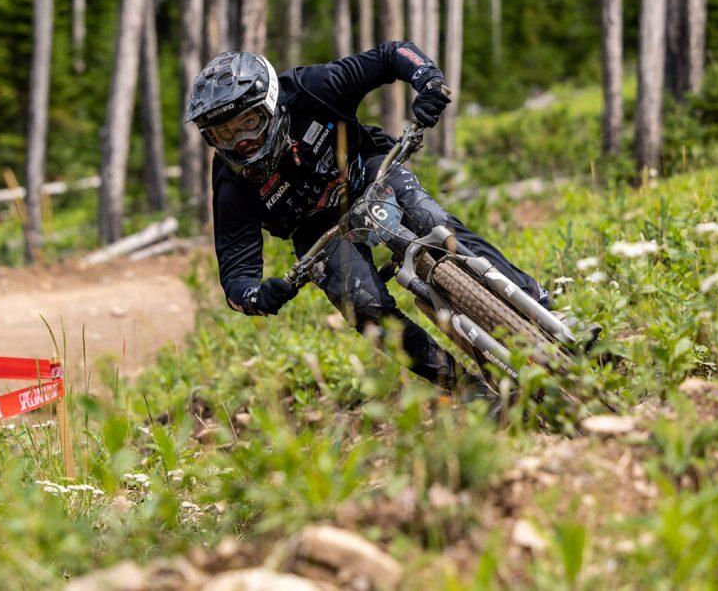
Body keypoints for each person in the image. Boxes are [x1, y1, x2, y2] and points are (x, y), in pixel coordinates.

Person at [184, 44, 554, 402]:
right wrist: (256, 296)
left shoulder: (312, 88)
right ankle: (468, 390)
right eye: (224, 134)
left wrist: (428, 81)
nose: (241, 141)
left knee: (434, 221)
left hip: (368, 168)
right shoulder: (232, 183)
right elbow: (236, 272)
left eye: (248, 123)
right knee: (362, 305)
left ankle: (540, 303)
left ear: (270, 103)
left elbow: (391, 55)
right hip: (315, 227)